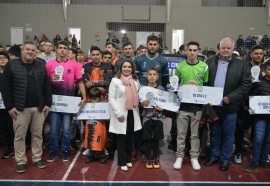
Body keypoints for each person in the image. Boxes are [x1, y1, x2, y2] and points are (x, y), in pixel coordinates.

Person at [1, 41, 52, 173]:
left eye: (33, 50)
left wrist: (48, 104)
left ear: (36, 52)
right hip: (19, 109)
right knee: (19, 136)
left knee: (37, 135)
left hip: (39, 108)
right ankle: (21, 161)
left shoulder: (41, 65)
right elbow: (5, 87)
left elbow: (47, 86)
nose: (30, 52)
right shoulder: (12, 65)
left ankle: (36, 158)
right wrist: (9, 107)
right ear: (22, 51)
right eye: (27, 49)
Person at [204, 38, 251, 171]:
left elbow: (245, 85)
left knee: (228, 134)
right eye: (223, 47)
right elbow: (205, 81)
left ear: (233, 49)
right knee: (214, 132)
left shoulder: (241, 65)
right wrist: (206, 96)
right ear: (219, 48)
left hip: (231, 106)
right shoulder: (209, 62)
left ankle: (225, 159)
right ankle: (214, 155)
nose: (225, 50)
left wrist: (230, 97)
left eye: (228, 48)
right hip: (213, 106)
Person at [46, 40, 86, 163]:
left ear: (68, 51)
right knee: (53, 130)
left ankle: (65, 151)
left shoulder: (74, 65)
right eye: (60, 47)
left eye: (65, 48)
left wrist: (84, 97)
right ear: (56, 50)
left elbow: (79, 82)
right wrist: (51, 80)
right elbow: (44, 83)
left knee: (67, 130)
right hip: (54, 103)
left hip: (68, 103)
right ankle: (53, 151)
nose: (62, 50)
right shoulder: (49, 65)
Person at [173, 41, 209, 171]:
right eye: (190, 50)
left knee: (195, 135)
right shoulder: (180, 66)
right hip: (182, 107)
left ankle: (194, 157)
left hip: (197, 108)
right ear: (186, 51)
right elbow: (175, 86)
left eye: (195, 50)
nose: (192, 52)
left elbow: (205, 88)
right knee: (181, 134)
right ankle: (179, 157)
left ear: (198, 52)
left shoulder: (204, 67)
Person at [108, 59, 141, 171]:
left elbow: (138, 96)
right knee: (121, 138)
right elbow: (111, 98)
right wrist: (118, 113)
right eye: (124, 67)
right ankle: (122, 162)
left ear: (132, 69)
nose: (127, 69)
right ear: (121, 68)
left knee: (130, 138)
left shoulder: (135, 81)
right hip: (121, 113)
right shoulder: (115, 80)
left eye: (129, 67)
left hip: (133, 113)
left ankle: (128, 159)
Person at [81, 46, 113, 155]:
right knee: (89, 123)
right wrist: (100, 85)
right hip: (90, 100)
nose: (95, 57)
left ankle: (103, 146)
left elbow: (107, 82)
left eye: (97, 55)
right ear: (90, 55)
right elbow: (84, 81)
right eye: (93, 55)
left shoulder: (108, 66)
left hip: (103, 100)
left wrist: (93, 84)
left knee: (103, 124)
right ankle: (89, 146)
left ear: (101, 56)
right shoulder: (85, 67)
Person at [245, 61, 270, 171]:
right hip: (260, 116)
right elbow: (251, 95)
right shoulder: (258, 82)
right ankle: (255, 162)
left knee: (268, 140)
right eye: (269, 69)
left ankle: (264, 160)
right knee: (258, 139)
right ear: (264, 71)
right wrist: (253, 106)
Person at [139, 68, 166, 169]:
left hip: (158, 117)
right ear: (147, 76)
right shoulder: (143, 89)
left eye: (154, 74)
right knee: (147, 138)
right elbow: (139, 103)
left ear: (157, 76)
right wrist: (141, 104)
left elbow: (165, 103)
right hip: (146, 117)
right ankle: (149, 157)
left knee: (156, 138)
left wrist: (162, 108)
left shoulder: (162, 89)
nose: (152, 76)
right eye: (150, 74)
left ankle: (155, 157)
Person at [85, 87, 107, 164]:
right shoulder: (87, 104)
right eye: (92, 99)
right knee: (90, 140)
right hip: (90, 125)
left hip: (99, 126)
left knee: (99, 140)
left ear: (99, 97)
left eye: (95, 99)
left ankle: (102, 155)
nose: (93, 101)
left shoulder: (103, 104)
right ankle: (91, 155)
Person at [0, 51, 14, 159]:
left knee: (12, 127)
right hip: (0, 106)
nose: (2, 59)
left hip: (11, 105)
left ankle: (15, 148)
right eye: (0, 58)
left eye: (4, 57)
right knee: (3, 127)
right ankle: (7, 148)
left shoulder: (11, 72)